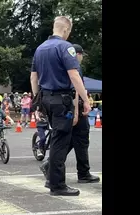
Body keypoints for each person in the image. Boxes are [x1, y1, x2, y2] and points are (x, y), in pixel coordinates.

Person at [30, 16, 91, 196]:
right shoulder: (66, 47)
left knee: (57, 137)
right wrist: (86, 100)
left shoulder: (40, 49)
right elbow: (74, 75)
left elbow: (34, 77)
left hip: (46, 98)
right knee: (60, 141)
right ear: (66, 30)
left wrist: (37, 100)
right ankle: (56, 184)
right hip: (62, 100)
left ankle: (53, 180)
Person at [40, 44, 100, 187]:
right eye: (81, 56)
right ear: (78, 54)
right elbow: (76, 91)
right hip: (75, 108)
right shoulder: (74, 66)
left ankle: (78, 171)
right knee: (77, 140)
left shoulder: (61, 65)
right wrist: (77, 114)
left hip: (65, 107)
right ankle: (80, 172)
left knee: (72, 140)